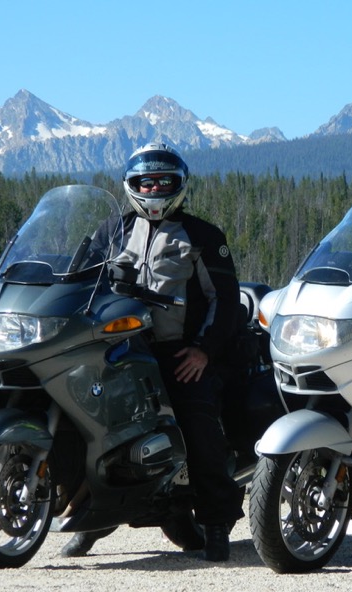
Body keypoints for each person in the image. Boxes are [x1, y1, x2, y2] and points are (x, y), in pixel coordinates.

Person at [60, 143, 244, 562]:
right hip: (119, 345)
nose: (155, 187)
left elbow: (225, 301)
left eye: (163, 181)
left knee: (199, 426)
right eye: (146, 181)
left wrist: (203, 351)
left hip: (179, 351)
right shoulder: (113, 230)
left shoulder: (203, 236)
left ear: (179, 185)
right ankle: (90, 519)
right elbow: (78, 279)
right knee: (91, 425)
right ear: (132, 185)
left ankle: (216, 524)